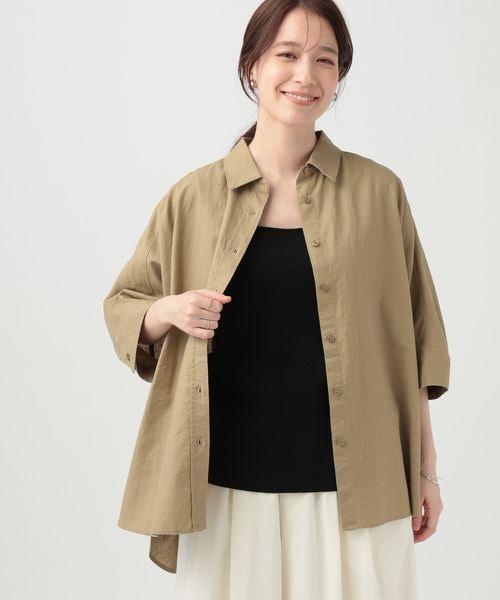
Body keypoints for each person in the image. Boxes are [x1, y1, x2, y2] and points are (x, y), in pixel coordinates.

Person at [102, 1, 450, 598]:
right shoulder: (193, 198)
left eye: (325, 60)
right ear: (253, 66)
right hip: (226, 489)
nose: (305, 75)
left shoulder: (379, 194)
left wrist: (427, 472)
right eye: (287, 54)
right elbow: (125, 304)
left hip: (357, 488)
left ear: (339, 75)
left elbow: (416, 344)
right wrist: (169, 310)